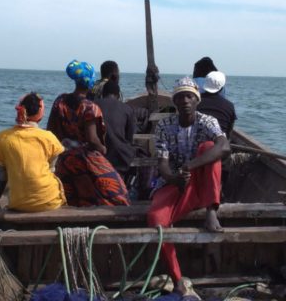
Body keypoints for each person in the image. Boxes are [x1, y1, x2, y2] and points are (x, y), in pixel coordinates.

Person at [147, 76, 231, 293]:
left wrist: (190, 166)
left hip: (201, 181)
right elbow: (162, 164)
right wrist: (174, 178)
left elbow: (224, 147)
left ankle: (212, 209)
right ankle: (177, 279)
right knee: (156, 220)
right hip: (175, 183)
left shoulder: (207, 121)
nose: (185, 100)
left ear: (197, 100)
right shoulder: (165, 125)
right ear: (174, 102)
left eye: (189, 96)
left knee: (209, 147)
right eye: (180, 97)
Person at [47, 60, 130, 207]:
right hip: (85, 158)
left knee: (71, 192)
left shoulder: (59, 101)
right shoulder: (90, 107)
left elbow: (50, 131)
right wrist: (102, 149)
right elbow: (92, 139)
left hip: (63, 158)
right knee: (119, 192)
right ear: (90, 80)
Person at [0, 92, 66, 212]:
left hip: (18, 203)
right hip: (49, 201)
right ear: (40, 113)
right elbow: (52, 170)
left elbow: (2, 174)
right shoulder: (49, 137)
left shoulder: (2, 137)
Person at [94, 80, 136, 179]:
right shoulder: (127, 109)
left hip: (97, 155)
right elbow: (129, 138)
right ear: (118, 95)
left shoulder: (92, 105)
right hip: (120, 157)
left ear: (102, 94)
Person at [197, 71, 237, 138]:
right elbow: (229, 131)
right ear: (221, 88)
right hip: (220, 143)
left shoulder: (195, 101)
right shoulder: (230, 105)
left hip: (198, 141)